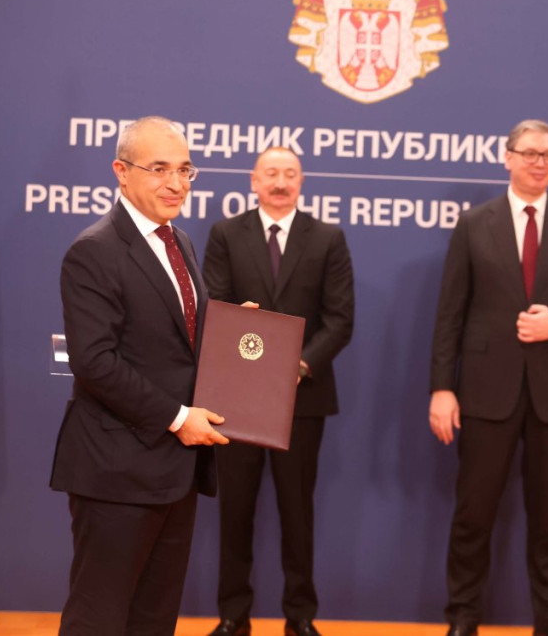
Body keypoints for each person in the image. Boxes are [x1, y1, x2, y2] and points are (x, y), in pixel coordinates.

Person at [428, 119, 548, 636]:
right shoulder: (474, 224)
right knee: (473, 515)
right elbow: (450, 314)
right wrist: (442, 387)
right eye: (529, 153)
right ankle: (463, 617)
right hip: (485, 392)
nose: (539, 163)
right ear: (507, 157)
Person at [51, 116, 230, 635]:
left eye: (185, 169)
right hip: (117, 471)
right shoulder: (95, 249)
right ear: (121, 172)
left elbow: (178, 340)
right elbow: (95, 362)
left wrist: (236, 339)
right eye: (159, 169)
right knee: (98, 620)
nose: (176, 183)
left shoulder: (180, 242)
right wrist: (178, 418)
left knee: (153, 620)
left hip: (175, 473)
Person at [203, 147, 354, 636]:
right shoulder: (226, 234)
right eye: (271, 173)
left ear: (302, 182)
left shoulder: (327, 238)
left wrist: (300, 364)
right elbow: (216, 308)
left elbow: (340, 320)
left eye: (290, 174)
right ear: (254, 180)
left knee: (297, 511)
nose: (281, 182)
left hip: (302, 401)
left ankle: (300, 616)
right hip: (236, 401)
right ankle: (232, 615)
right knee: (235, 510)